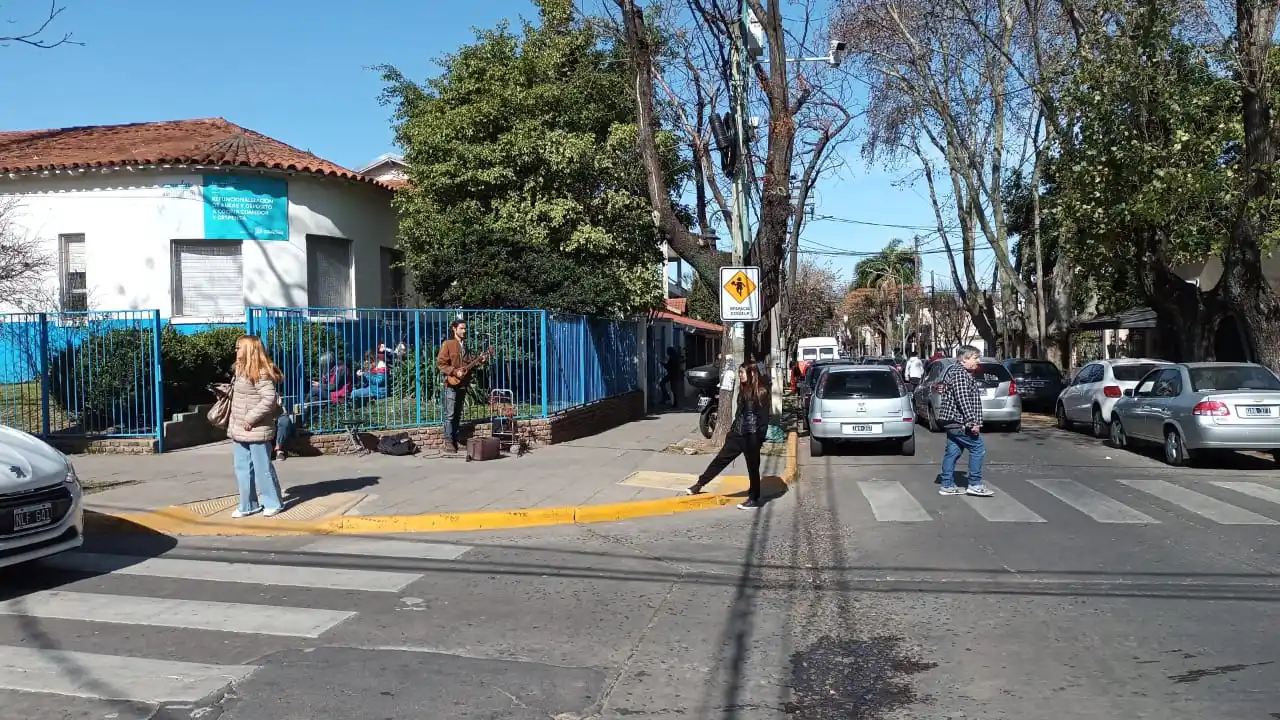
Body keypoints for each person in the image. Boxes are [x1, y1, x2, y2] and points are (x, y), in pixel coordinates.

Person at [684, 361, 770, 510]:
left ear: (751, 373)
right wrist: (732, 432)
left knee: (753, 468)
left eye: (743, 372)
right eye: (739, 372)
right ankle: (699, 484)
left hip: (752, 437)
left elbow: (763, 420)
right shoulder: (743, 389)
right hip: (737, 434)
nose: (740, 375)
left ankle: (754, 499)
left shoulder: (761, 392)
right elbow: (739, 414)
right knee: (720, 460)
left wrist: (759, 439)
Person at [227, 335, 286, 517]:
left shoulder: (261, 372)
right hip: (239, 428)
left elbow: (269, 399)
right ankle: (248, 505)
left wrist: (250, 418)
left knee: (263, 468)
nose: (236, 350)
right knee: (242, 468)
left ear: (250, 350)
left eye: (239, 347)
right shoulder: (239, 370)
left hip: (256, 428)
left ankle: (273, 502)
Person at [936, 345, 993, 497]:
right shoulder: (960, 374)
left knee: (953, 452)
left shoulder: (958, 372)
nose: (978, 361)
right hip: (959, 421)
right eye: (975, 358)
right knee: (978, 448)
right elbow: (963, 400)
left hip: (952, 420)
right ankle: (975, 483)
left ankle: (946, 484)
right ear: (964, 359)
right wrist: (972, 422)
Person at [436, 318, 470, 453]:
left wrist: (480, 360)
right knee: (449, 414)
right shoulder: (448, 344)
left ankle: (455, 440)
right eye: (461, 328)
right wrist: (455, 371)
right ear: (454, 329)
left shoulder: (465, 345)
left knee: (457, 414)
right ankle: (448, 441)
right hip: (451, 383)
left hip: (462, 384)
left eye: (465, 328)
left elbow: (468, 363)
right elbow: (441, 364)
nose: (464, 331)